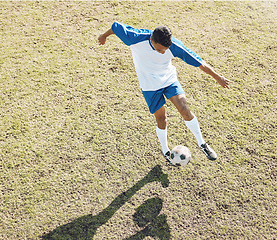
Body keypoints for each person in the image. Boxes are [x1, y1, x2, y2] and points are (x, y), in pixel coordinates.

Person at [98, 22, 230, 163]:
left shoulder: (173, 46)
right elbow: (116, 26)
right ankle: (166, 151)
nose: (163, 52)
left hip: (169, 80)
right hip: (149, 85)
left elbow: (198, 61)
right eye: (159, 50)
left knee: (184, 109)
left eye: (165, 50)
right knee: (161, 119)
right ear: (152, 41)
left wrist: (218, 77)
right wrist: (104, 36)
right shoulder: (135, 37)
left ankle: (202, 143)